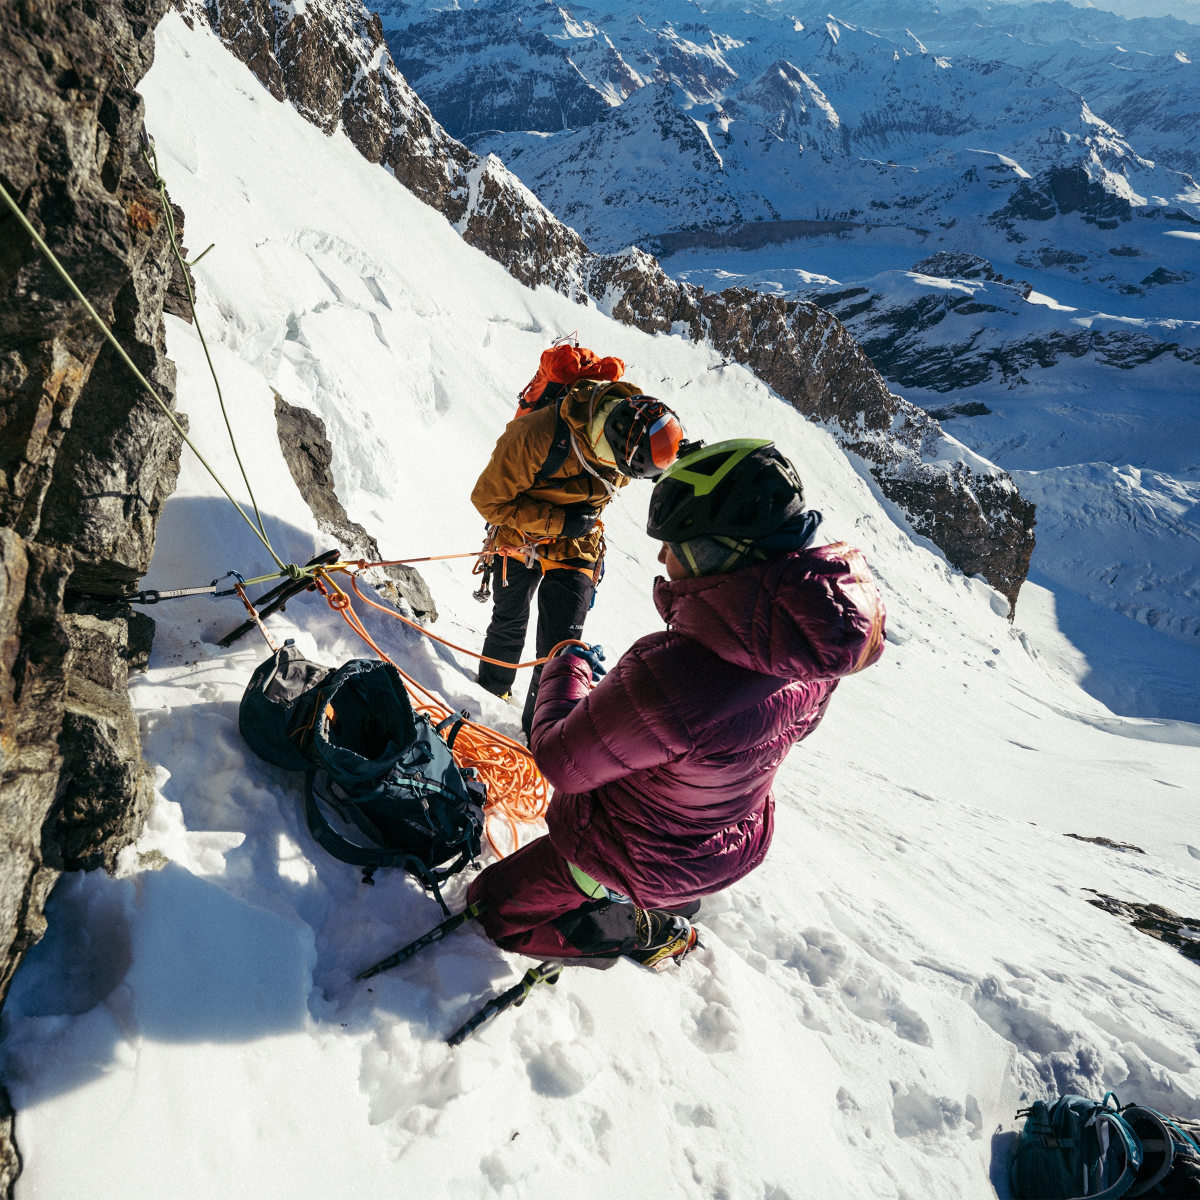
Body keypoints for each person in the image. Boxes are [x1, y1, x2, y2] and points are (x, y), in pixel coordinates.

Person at [466, 438, 887, 968]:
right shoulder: (815, 645)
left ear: (717, 553)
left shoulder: (674, 675)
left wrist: (565, 663)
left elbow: (559, 761)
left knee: (490, 908)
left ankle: (636, 927)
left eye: (677, 545)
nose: (663, 558)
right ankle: (667, 897)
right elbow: (770, 728)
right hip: (729, 839)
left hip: (635, 854)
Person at [472, 377, 684, 738]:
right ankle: (488, 694)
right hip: (518, 537)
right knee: (509, 619)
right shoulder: (534, 435)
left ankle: (538, 733)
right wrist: (558, 521)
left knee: (560, 650)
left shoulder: (637, 433)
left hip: (578, 543)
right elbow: (488, 501)